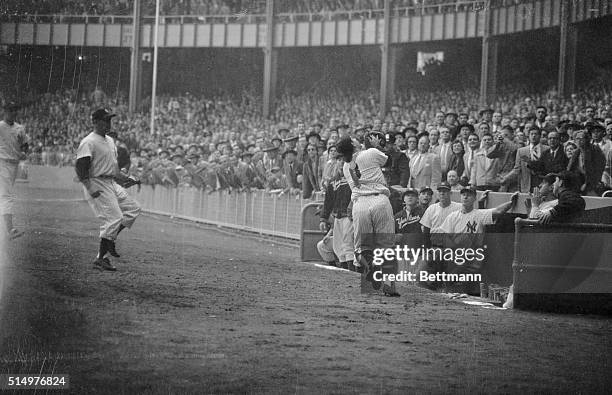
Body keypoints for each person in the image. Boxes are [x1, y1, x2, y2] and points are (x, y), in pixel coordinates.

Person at [75, 108, 141, 271]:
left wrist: (126, 180)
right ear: (95, 122)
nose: (108, 124)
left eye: (109, 120)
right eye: (105, 120)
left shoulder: (110, 141)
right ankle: (102, 257)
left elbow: (113, 169)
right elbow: (81, 167)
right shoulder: (89, 141)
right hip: (97, 182)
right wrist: (89, 187)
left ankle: (109, 241)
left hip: (110, 181)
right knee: (114, 218)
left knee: (133, 209)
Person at [337, 134, 399, 297]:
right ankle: (389, 284)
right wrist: (378, 145)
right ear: (353, 144)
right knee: (386, 244)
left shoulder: (345, 166)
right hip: (379, 200)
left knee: (362, 246)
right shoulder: (370, 153)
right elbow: (390, 161)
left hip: (360, 204)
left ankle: (370, 267)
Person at [318, 151, 355, 271]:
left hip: (350, 215)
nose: (341, 162)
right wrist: (323, 218)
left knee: (348, 242)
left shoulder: (353, 176)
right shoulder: (333, 180)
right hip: (337, 216)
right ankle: (344, 269)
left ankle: (351, 269)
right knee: (339, 245)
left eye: (344, 160)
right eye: (339, 160)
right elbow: (328, 201)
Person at [0, 101, 28, 240]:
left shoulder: (19, 128)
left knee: (5, 194)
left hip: (13, 165)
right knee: (7, 196)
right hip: (2, 162)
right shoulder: (0, 126)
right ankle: (9, 229)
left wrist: (23, 152)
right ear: (5, 112)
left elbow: (25, 144)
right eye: (10, 111)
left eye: (15, 111)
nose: (13, 113)